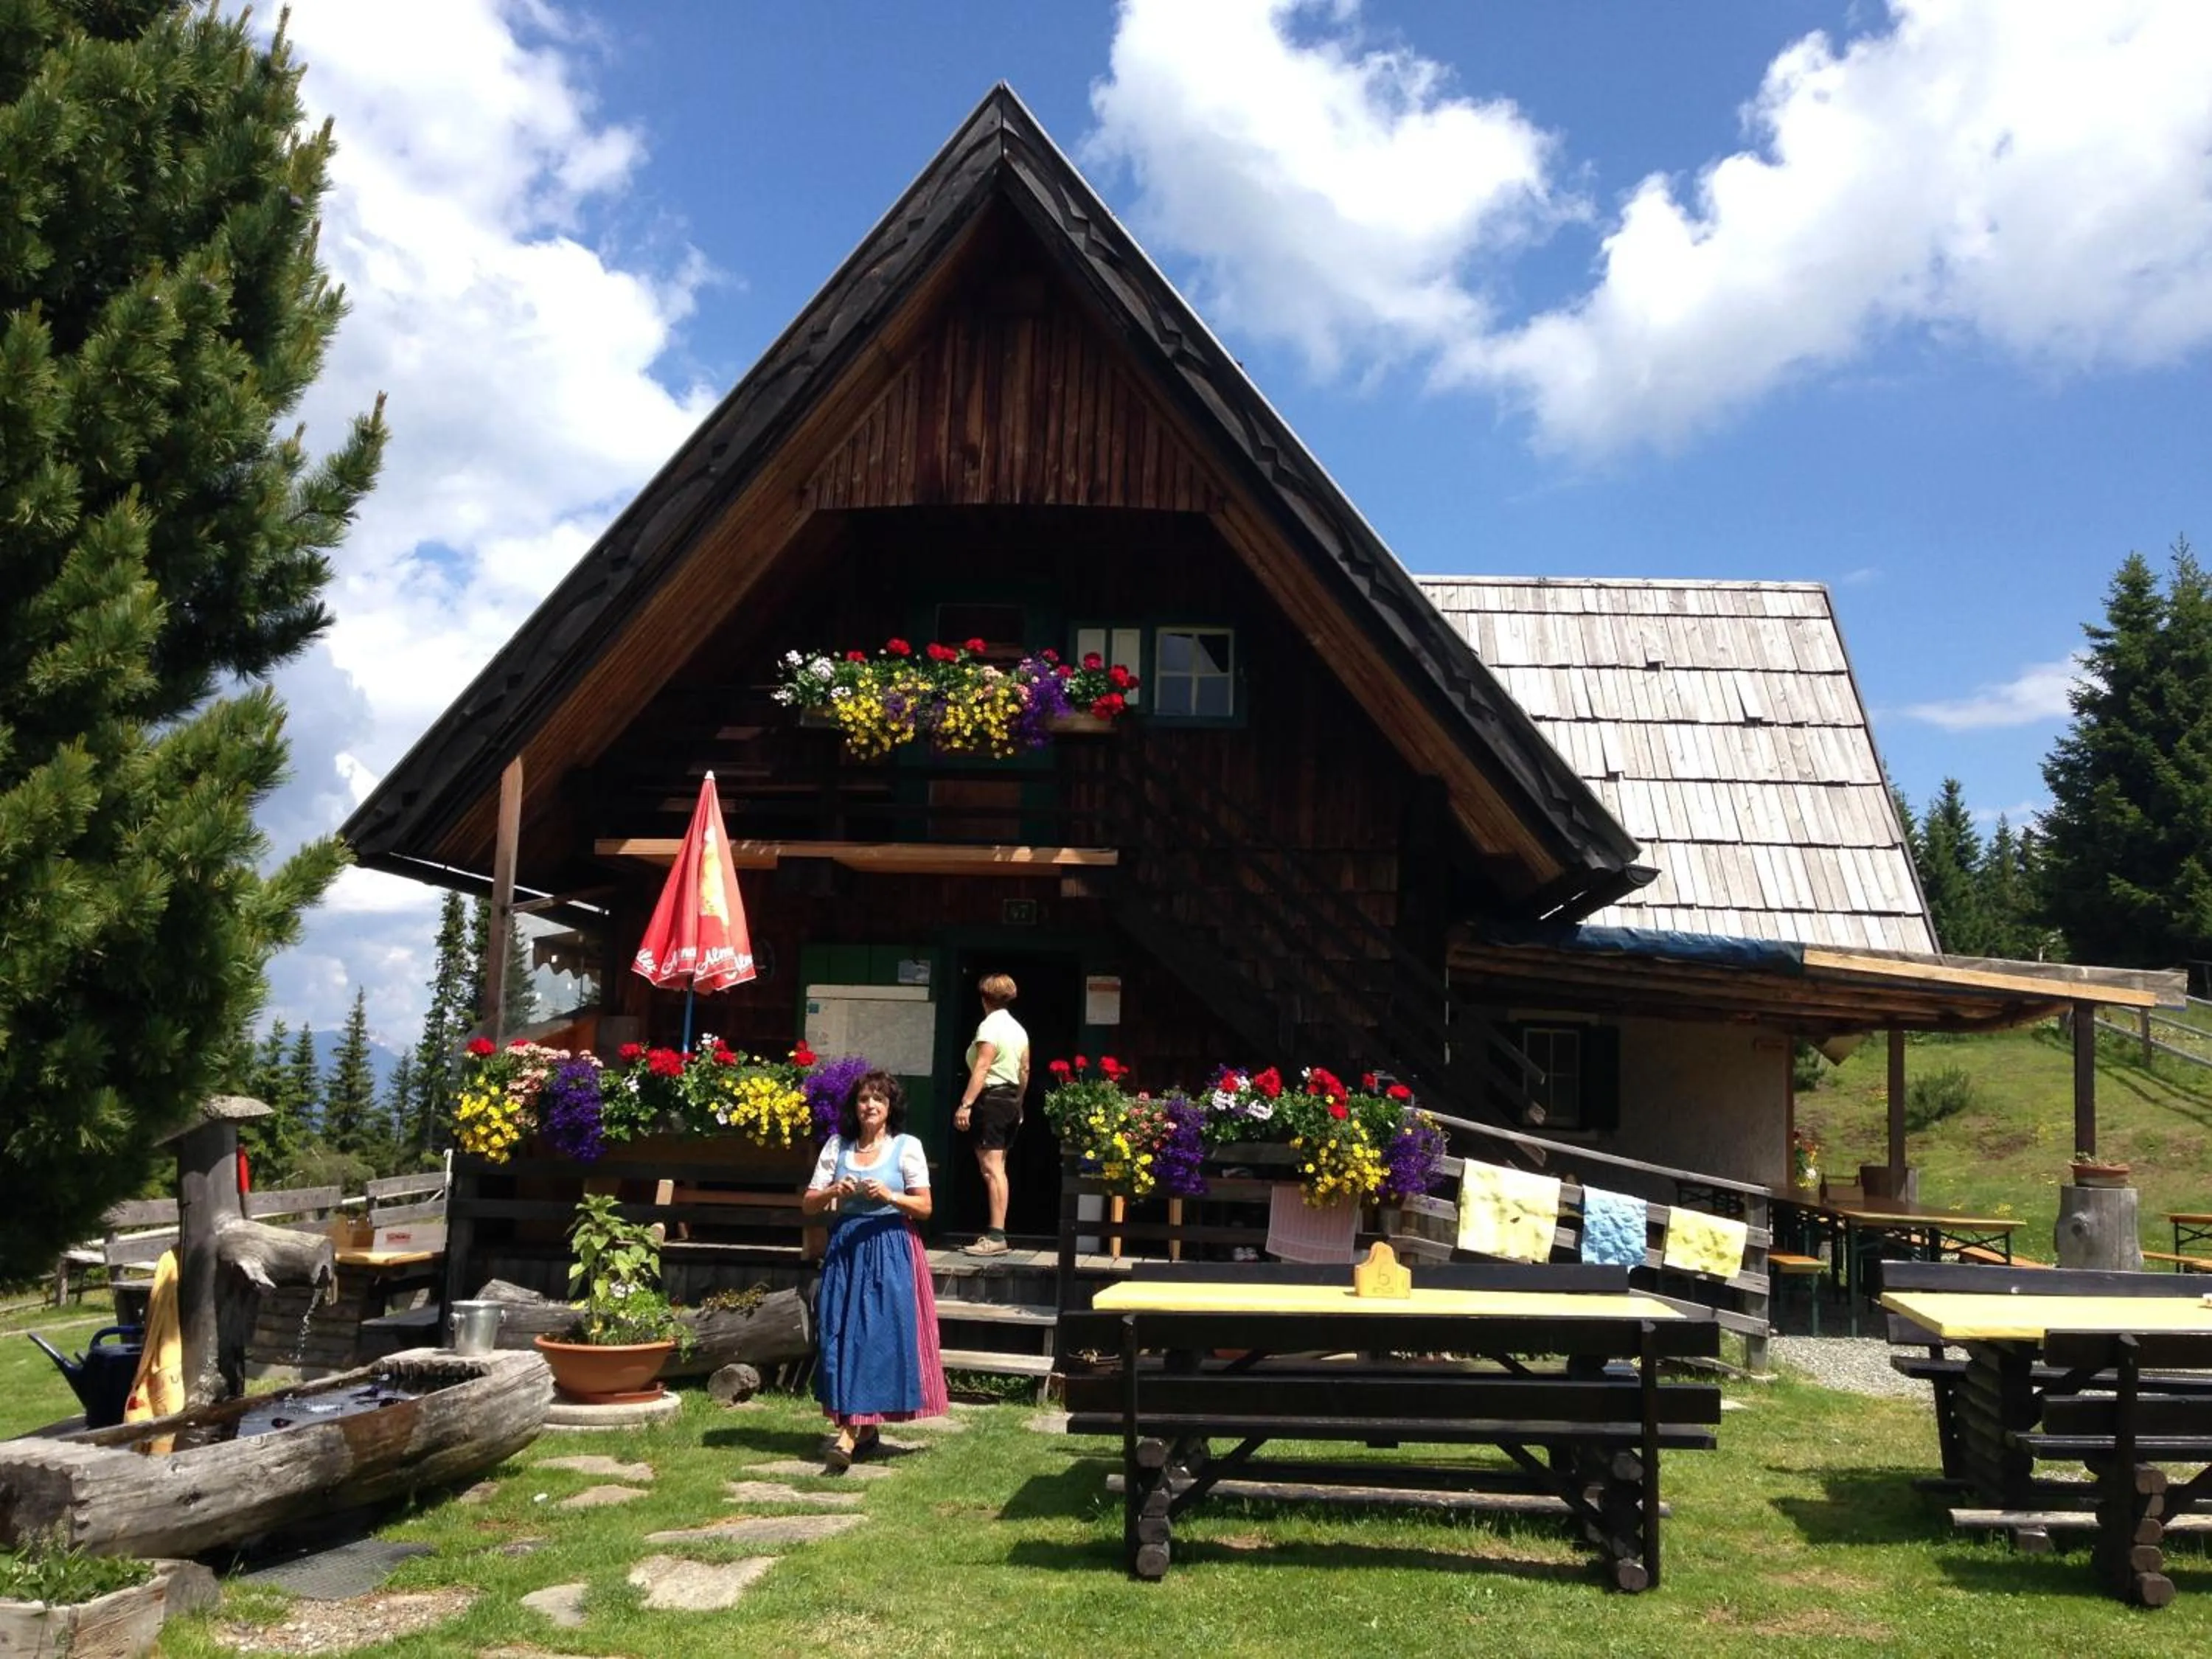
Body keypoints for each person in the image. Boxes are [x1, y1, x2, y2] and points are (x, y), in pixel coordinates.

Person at [802, 1070, 948, 1470]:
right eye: (864, 1099)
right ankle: (864, 1430)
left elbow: (926, 1208)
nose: (870, 1106)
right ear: (855, 1107)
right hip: (847, 1249)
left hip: (891, 1249)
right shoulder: (838, 1147)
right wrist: (834, 1192)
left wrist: (891, 1195)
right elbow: (809, 1204)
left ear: (889, 1109)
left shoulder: (906, 1148)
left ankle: (847, 1437)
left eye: (878, 1101)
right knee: (840, 1335)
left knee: (874, 1337)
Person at [952, 972, 1029, 1256]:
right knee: (999, 1168)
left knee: (991, 1169)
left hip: (991, 1099)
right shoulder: (1018, 1029)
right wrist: (1018, 1102)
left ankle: (996, 1236)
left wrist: (967, 1104)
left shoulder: (989, 1027)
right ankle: (997, 1232)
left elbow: (983, 1067)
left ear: (985, 998)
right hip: (1009, 1099)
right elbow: (1024, 1070)